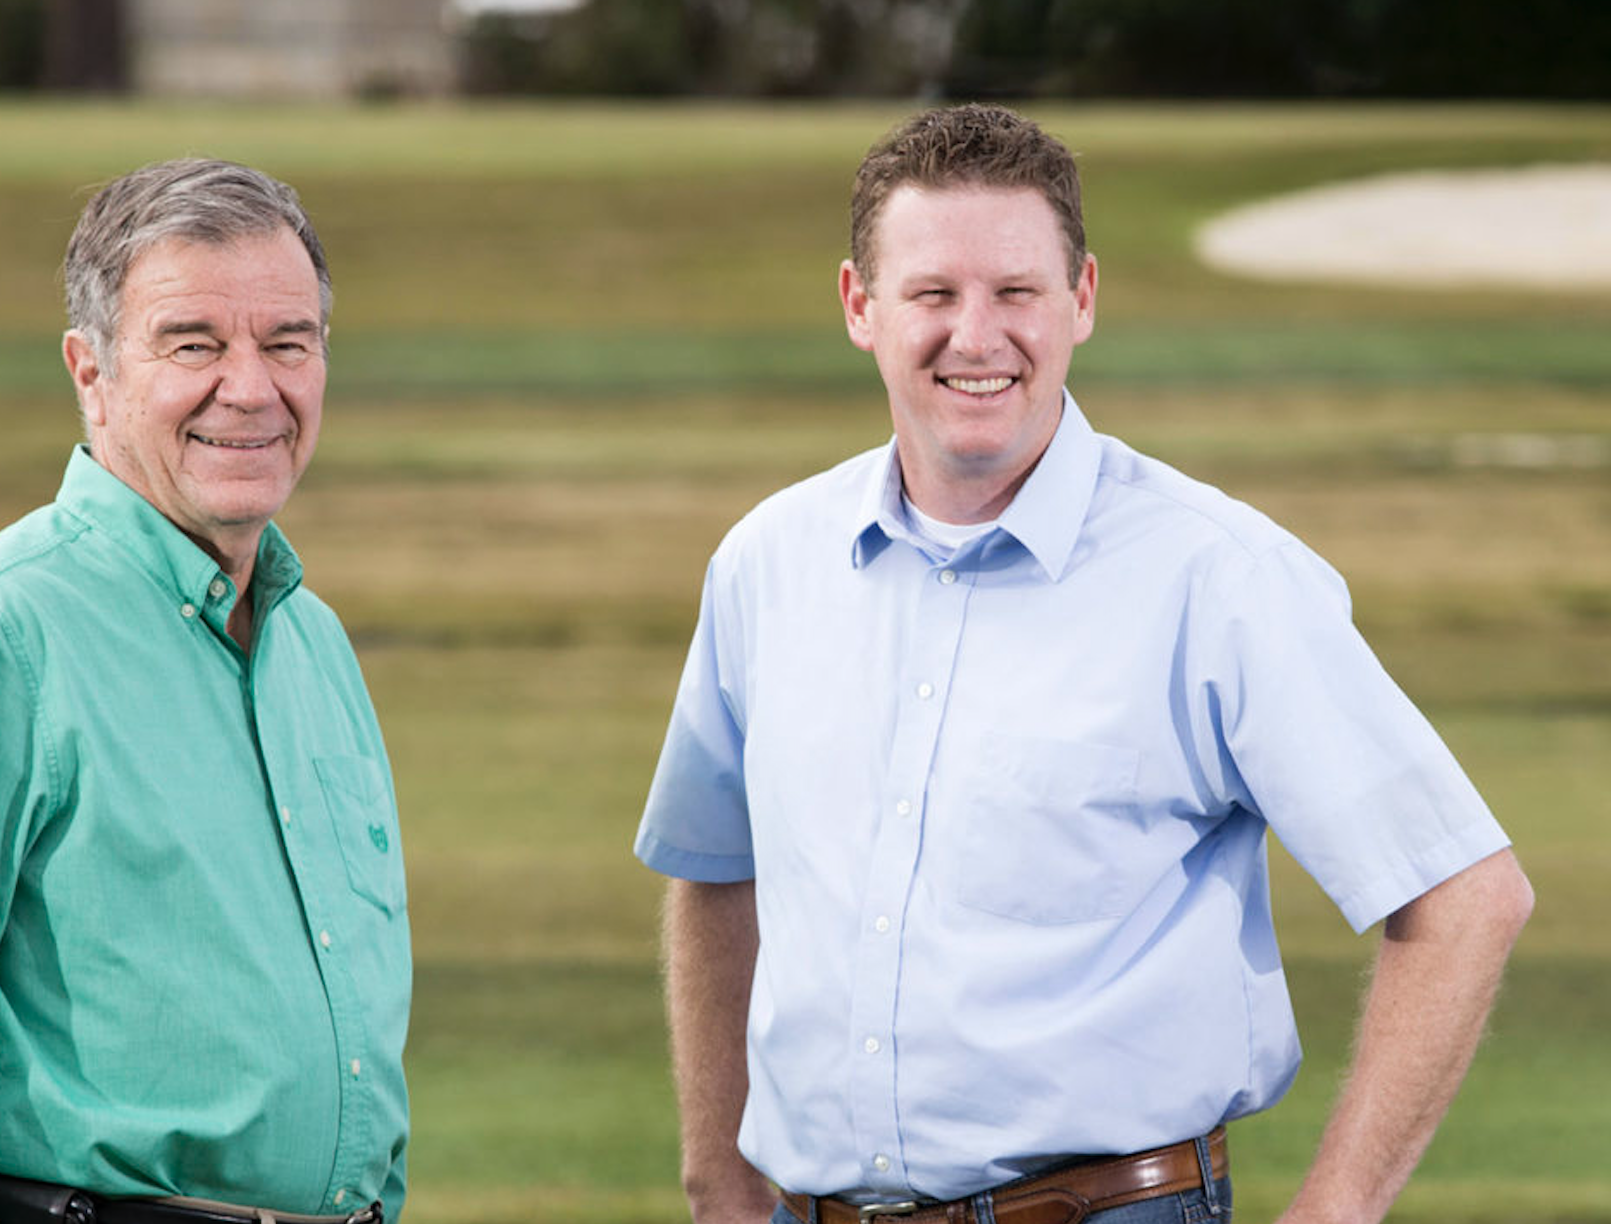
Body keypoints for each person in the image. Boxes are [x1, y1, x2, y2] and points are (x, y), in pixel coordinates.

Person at [635, 104, 1533, 1224]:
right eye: (932, 294)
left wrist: (1337, 1207)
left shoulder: (1218, 578)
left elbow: (1465, 894)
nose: (976, 336)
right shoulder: (765, 565)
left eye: (1015, 293)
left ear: (1083, 300)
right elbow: (713, 867)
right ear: (859, 307)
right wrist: (718, 1183)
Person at [0, 159, 410, 1222]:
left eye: (286, 342)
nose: (250, 388)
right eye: (192, 344)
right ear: (90, 372)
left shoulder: (314, 646)